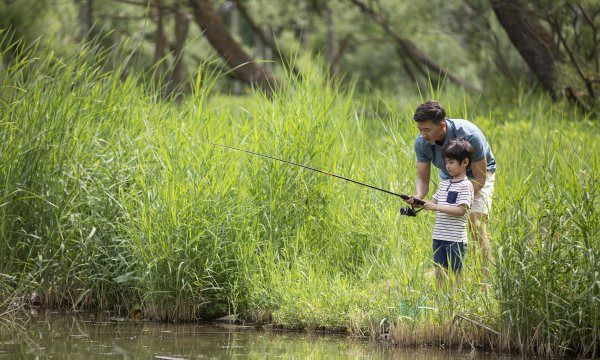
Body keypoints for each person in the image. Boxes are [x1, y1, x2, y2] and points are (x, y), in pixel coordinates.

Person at [405, 100, 496, 272]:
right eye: (420, 129)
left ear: (442, 125)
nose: (423, 134)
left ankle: (485, 277)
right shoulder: (422, 142)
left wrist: (463, 200)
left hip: (478, 174)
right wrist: (419, 197)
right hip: (449, 176)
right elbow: (423, 180)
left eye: (427, 129)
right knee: (448, 224)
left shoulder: (469, 135)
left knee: (475, 222)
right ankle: (451, 271)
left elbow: (479, 178)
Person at [420, 139, 474, 288]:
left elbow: (461, 210)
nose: (447, 166)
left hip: (455, 239)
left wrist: (436, 207)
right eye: (446, 162)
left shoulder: (466, 186)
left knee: (455, 271)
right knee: (439, 270)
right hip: (439, 237)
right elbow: (431, 203)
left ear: (464, 162)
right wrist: (416, 201)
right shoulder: (444, 184)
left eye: (451, 162)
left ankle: (455, 301)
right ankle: (440, 301)